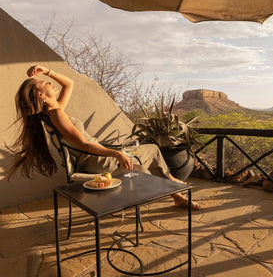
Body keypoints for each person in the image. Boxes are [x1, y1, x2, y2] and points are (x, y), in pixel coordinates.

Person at [7, 65, 200, 210]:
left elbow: (69, 83)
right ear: (41, 95)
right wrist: (116, 154)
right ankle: (175, 189)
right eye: (44, 83)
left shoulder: (55, 112)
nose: (50, 83)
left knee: (151, 151)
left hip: (94, 157)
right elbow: (84, 144)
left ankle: (174, 188)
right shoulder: (56, 115)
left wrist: (47, 71)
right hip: (96, 160)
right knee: (152, 150)